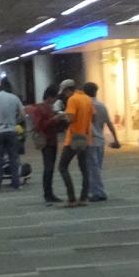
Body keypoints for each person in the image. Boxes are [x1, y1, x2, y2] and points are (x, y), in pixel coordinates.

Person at [57, 79, 94, 207]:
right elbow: (93, 117)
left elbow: (71, 118)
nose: (64, 95)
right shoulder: (87, 98)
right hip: (86, 137)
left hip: (73, 138)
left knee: (62, 167)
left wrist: (62, 115)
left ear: (68, 90)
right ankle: (84, 198)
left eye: (64, 92)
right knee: (84, 168)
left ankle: (71, 198)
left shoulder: (72, 99)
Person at [82, 82, 120, 202]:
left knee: (92, 168)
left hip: (89, 140)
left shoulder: (85, 105)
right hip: (100, 139)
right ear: (96, 92)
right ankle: (95, 191)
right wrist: (116, 139)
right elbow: (109, 123)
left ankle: (98, 192)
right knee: (97, 167)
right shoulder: (102, 106)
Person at [27, 85, 64, 205]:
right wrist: (54, 119)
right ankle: (47, 194)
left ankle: (50, 193)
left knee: (51, 168)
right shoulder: (39, 108)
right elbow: (39, 126)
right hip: (46, 141)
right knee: (48, 168)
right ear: (49, 97)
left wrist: (59, 120)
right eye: (54, 97)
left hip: (53, 140)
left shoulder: (51, 108)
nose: (55, 100)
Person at [0, 78, 25, 191]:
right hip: (11, 131)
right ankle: (16, 183)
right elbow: (22, 114)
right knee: (14, 158)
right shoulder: (14, 98)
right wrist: (15, 121)